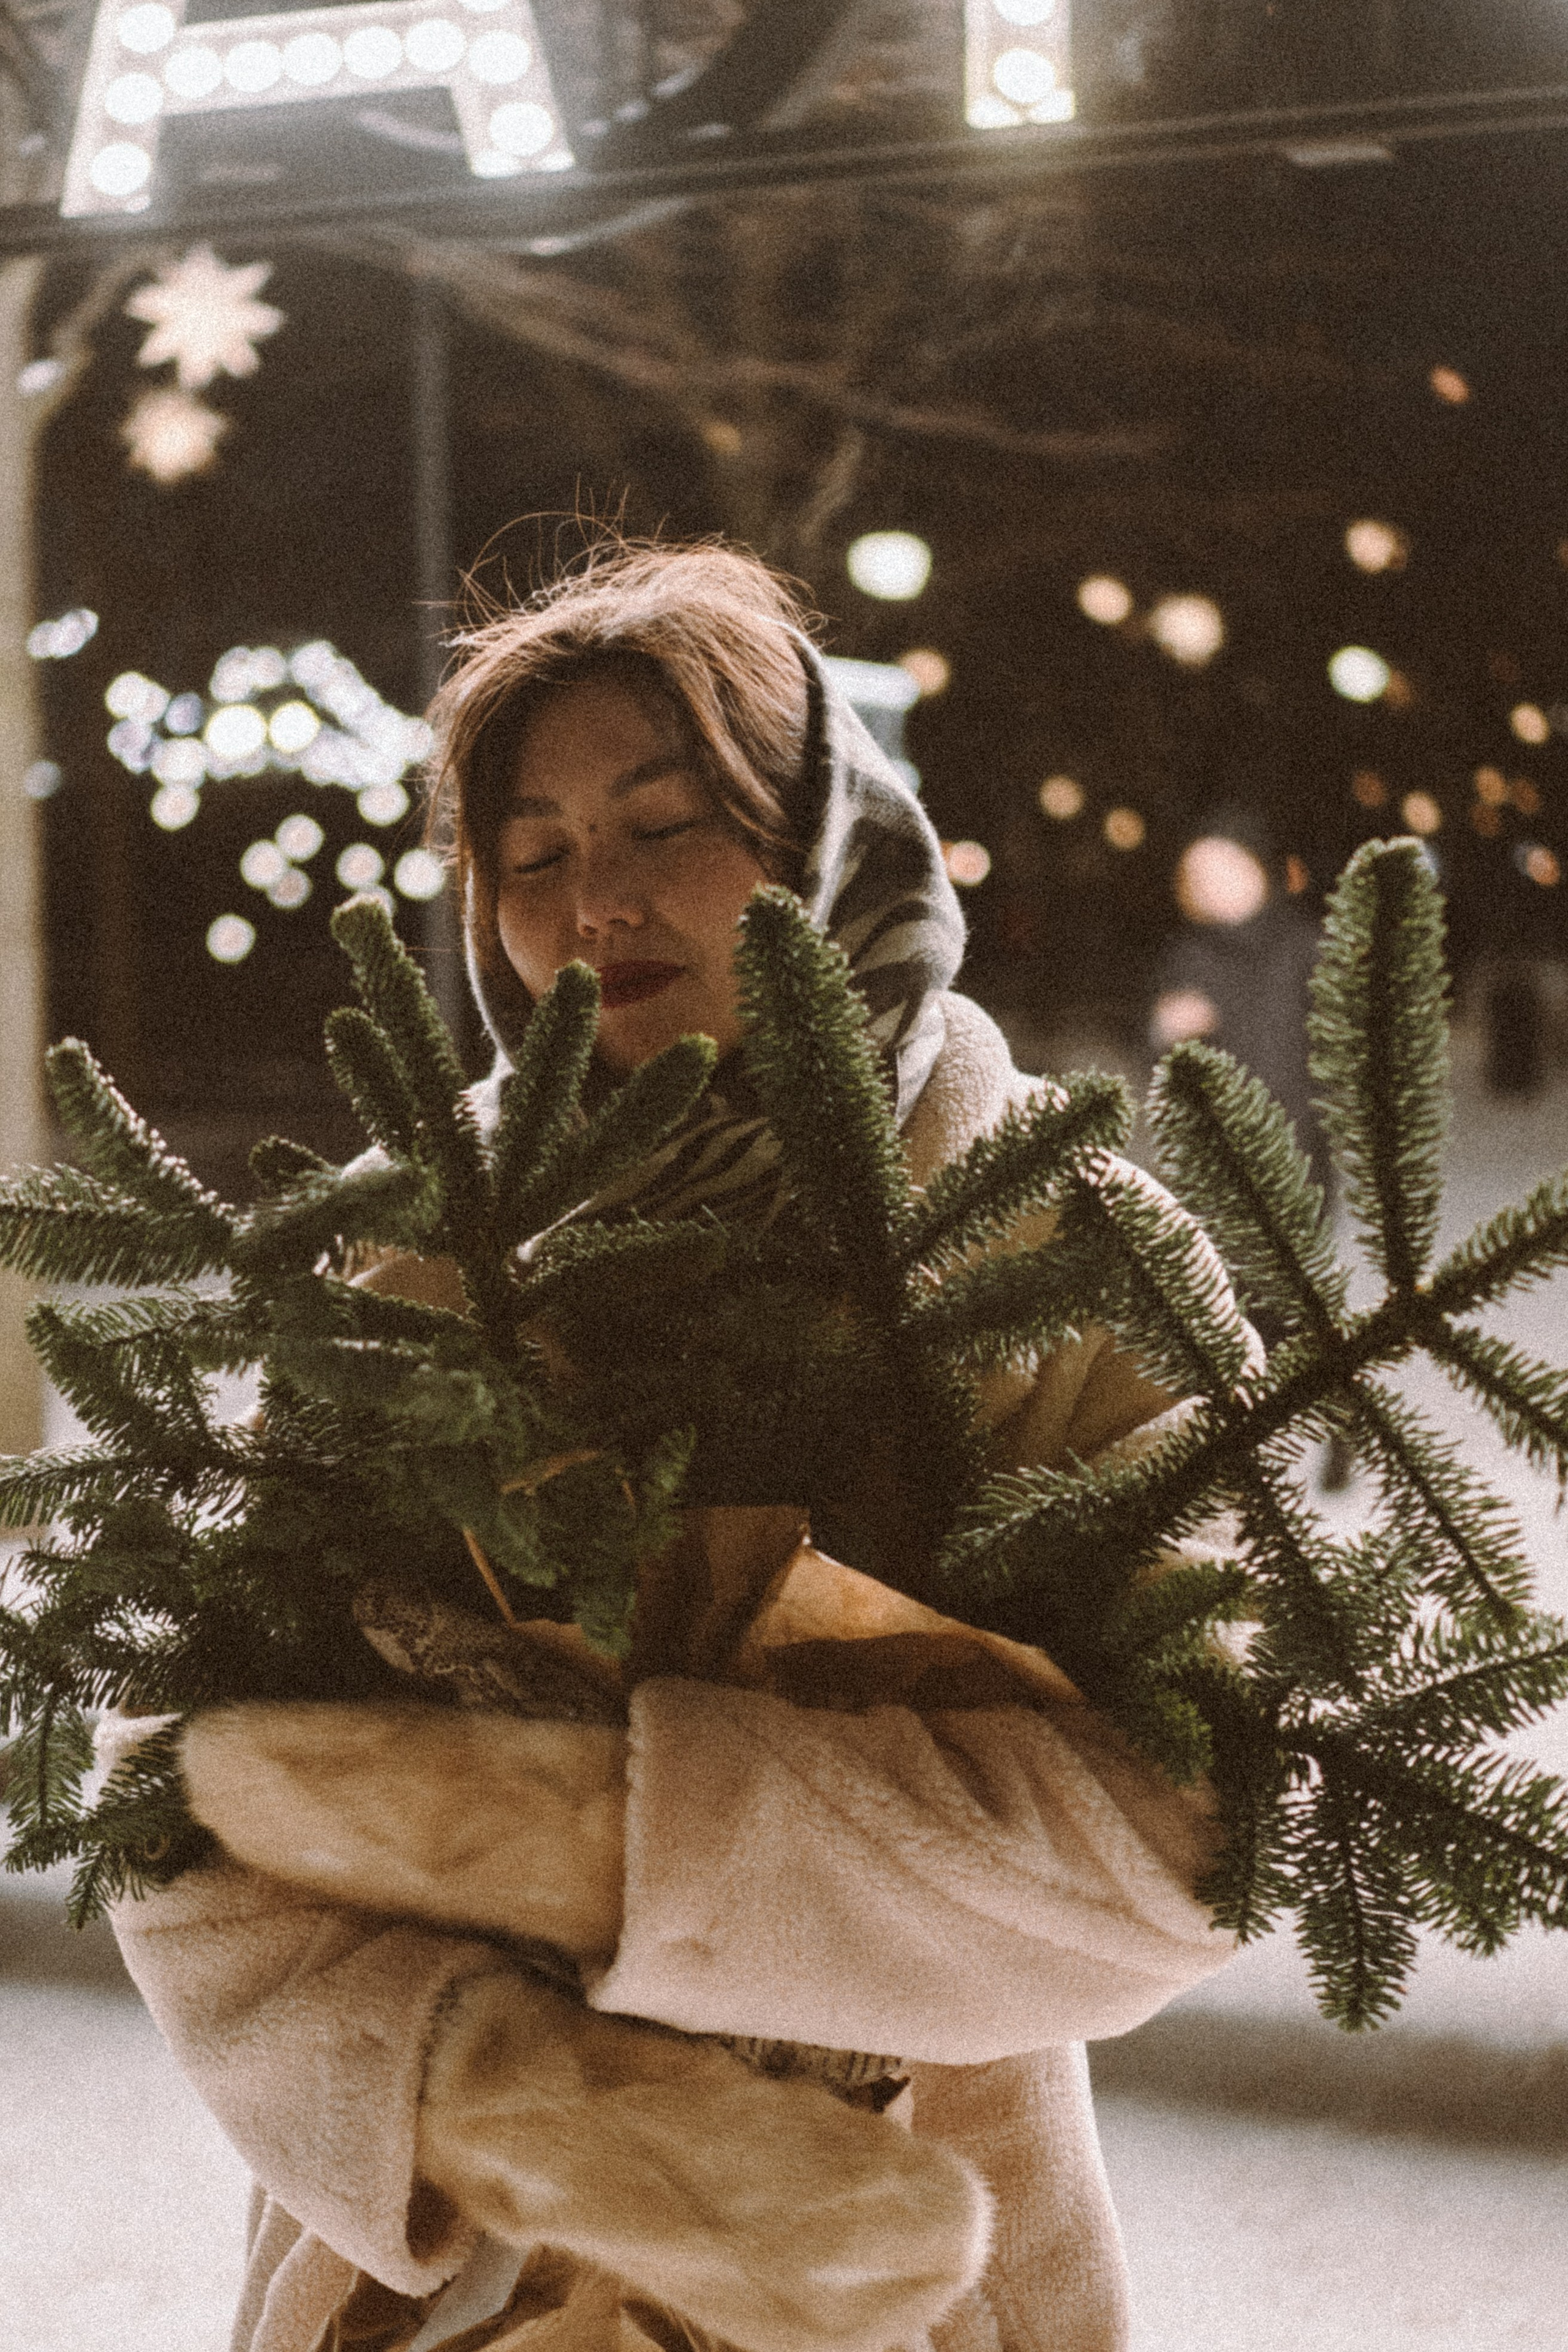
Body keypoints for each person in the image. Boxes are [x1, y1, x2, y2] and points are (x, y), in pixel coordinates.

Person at [107, 541, 1237, 2352]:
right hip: (456, 2291)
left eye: (663, 823)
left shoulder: (1051, 1239)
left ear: (824, 838)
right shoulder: (401, 1257)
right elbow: (184, 1784)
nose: (595, 902)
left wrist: (620, 1840)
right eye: (533, 856)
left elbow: (1218, 1812)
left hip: (912, 2273)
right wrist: (501, 2091)